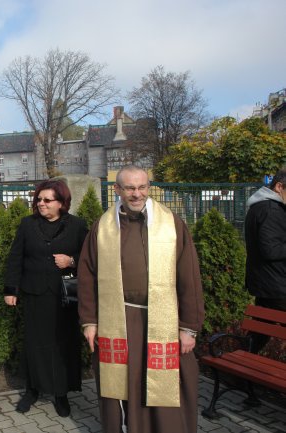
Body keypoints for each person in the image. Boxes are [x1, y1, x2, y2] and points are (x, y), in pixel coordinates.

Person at [77, 165, 204, 433]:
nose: (137, 194)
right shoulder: (103, 227)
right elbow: (87, 275)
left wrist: (188, 327)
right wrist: (89, 321)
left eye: (142, 187)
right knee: (124, 382)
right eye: (130, 188)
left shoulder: (171, 224)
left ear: (149, 187)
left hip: (164, 321)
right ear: (118, 190)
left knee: (169, 381)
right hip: (120, 319)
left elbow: (189, 277)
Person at [3, 179, 88, 417]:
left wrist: (71, 261)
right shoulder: (27, 225)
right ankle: (32, 390)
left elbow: (91, 257)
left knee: (63, 343)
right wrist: (11, 290)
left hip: (65, 295)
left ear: (62, 203)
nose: (41, 204)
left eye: (47, 200)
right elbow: (15, 258)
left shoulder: (78, 226)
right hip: (34, 294)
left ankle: (61, 394)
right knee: (34, 343)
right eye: (39, 199)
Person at [244, 168, 286, 353]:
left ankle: (243, 364)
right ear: (279, 186)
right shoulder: (271, 210)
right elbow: (271, 250)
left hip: (267, 283)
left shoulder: (261, 206)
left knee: (261, 331)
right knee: (261, 330)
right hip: (277, 286)